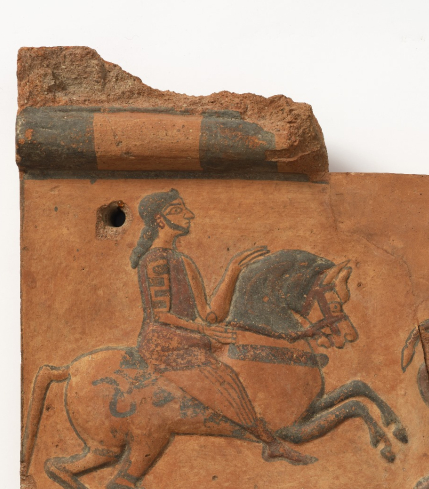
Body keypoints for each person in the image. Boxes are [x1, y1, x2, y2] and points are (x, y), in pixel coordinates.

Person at [130, 188, 312, 464]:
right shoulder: (154, 260)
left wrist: (233, 271)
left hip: (189, 338)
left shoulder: (184, 261)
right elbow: (160, 314)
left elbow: (211, 314)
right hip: (163, 342)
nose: (189, 215)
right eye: (178, 210)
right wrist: (203, 331)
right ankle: (270, 443)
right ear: (159, 220)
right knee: (224, 378)